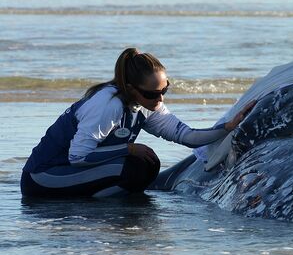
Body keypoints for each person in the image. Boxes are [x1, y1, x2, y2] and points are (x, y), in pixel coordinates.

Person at [21, 48, 255, 197]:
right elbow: (78, 157)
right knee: (136, 166)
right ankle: (94, 208)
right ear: (131, 88)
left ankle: (105, 203)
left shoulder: (145, 104)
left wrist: (228, 127)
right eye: (152, 94)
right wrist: (129, 148)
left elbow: (187, 136)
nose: (160, 98)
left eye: (164, 90)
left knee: (148, 164)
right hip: (44, 177)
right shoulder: (107, 104)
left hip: (73, 171)